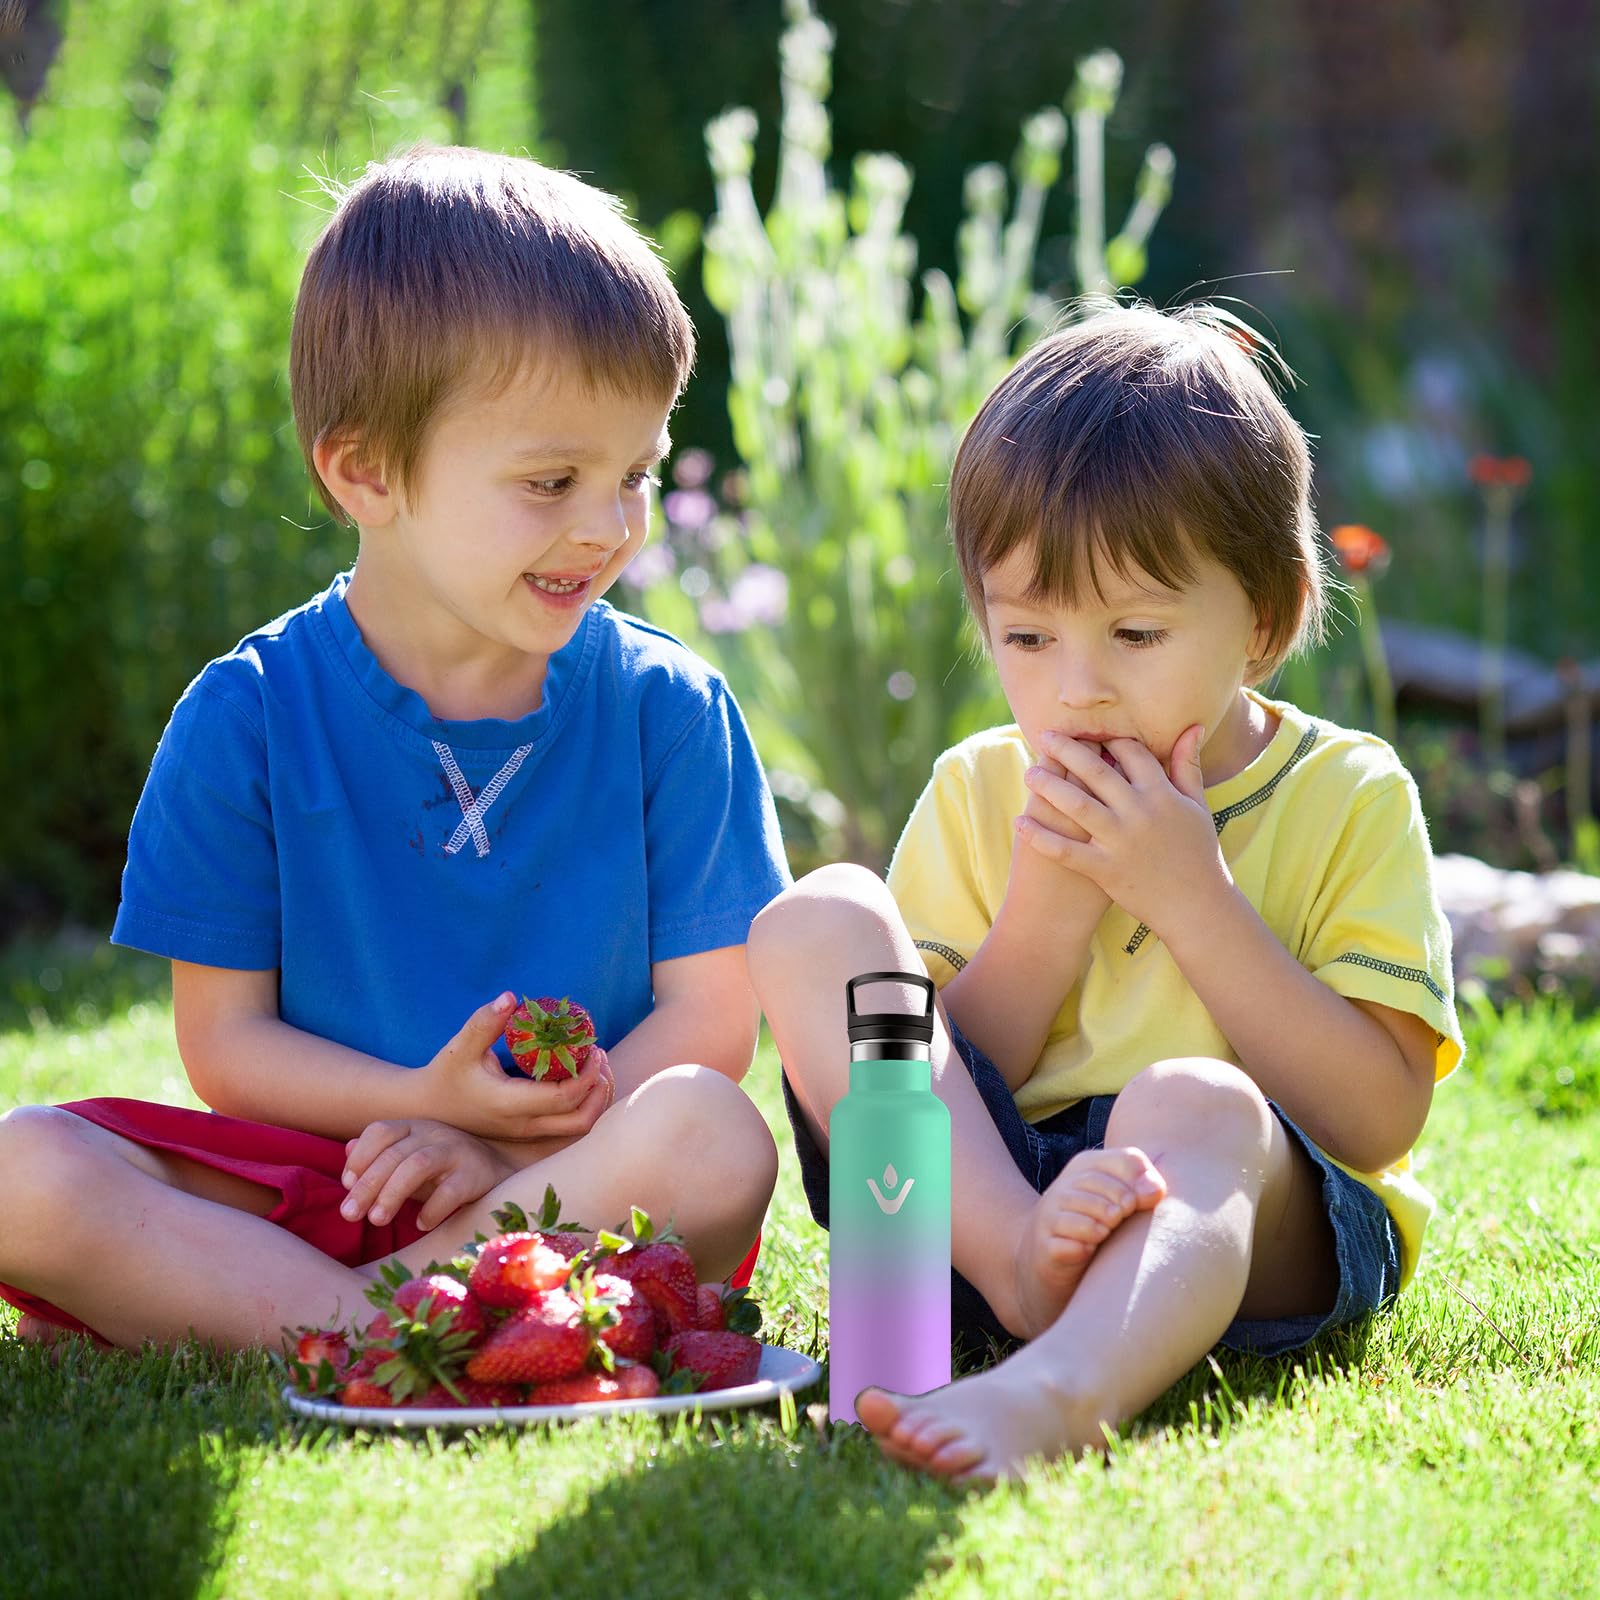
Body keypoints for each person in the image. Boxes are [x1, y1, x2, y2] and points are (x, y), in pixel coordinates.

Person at [0, 142, 791, 1353]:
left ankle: (327, 1328)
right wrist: (421, 1103)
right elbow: (226, 1045)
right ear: (366, 470)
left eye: (632, 473)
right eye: (551, 480)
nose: (606, 526)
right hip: (324, 1184)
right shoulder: (247, 716)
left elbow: (710, 1023)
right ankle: (406, 1320)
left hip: (570, 1178)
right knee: (23, 1168)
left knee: (715, 1134)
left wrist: (499, 1150)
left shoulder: (669, 710)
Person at [747, 300, 1463, 1483]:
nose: (1075, 691)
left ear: (1265, 620)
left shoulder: (1347, 792)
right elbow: (930, 1086)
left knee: (1193, 1098)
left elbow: (1375, 1119)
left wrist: (1192, 900)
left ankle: (1059, 1388)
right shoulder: (980, 790)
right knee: (817, 918)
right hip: (985, 1212)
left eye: (1134, 633)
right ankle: (1021, 1270)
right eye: (1027, 639)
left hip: (1237, 1217)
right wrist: (1045, 915)